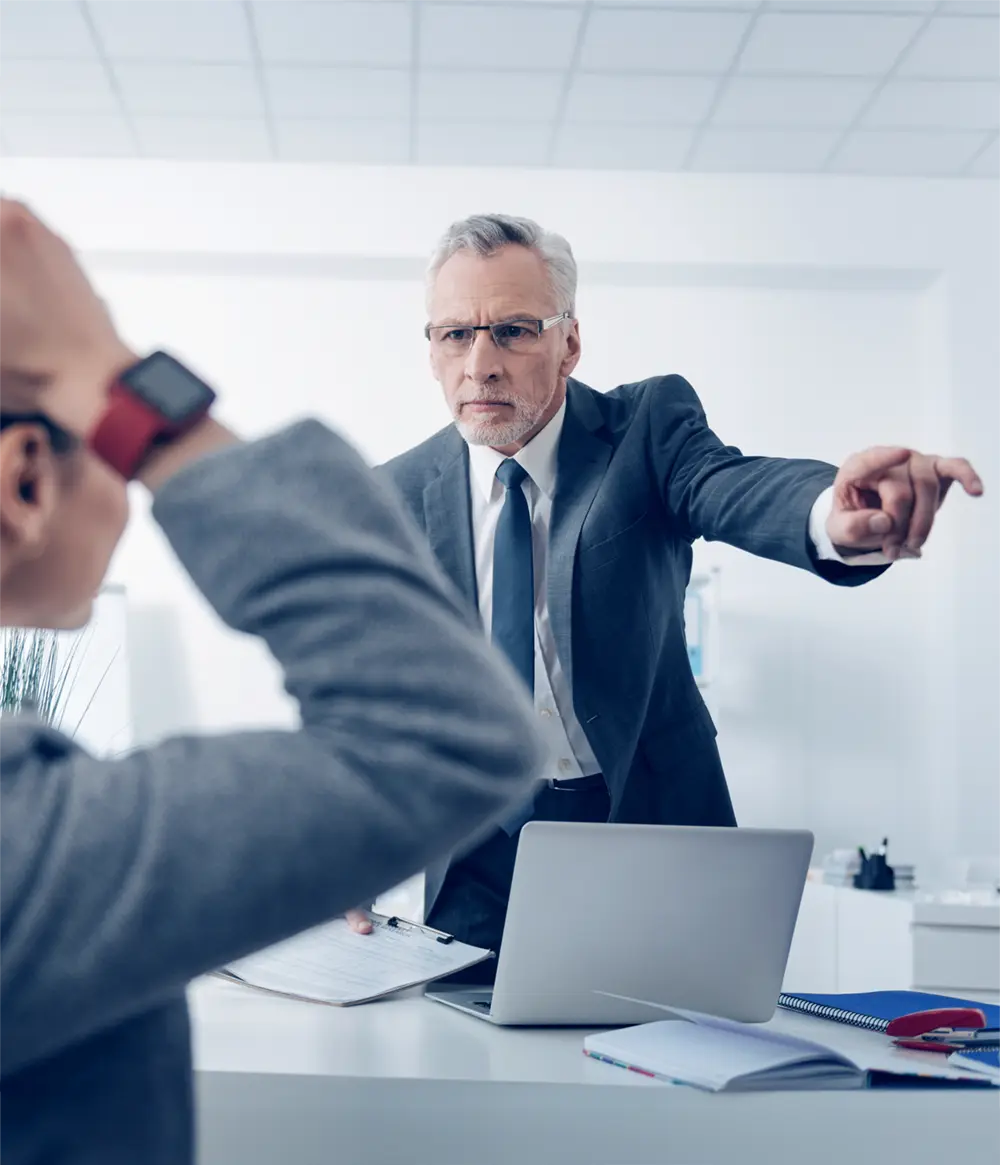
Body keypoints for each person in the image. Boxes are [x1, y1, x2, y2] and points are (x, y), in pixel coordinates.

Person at [0, 200, 545, 1165]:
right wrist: (128, 393)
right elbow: (444, 737)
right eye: (113, 450)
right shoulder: (29, 840)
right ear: (25, 481)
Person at [351, 212, 983, 979]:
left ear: (570, 342)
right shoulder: (397, 493)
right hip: (480, 855)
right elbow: (378, 689)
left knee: (670, 1060)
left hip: (647, 823)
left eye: (514, 330)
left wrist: (834, 515)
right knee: (471, 1082)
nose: (480, 363)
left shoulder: (645, 431)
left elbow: (731, 486)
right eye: (455, 335)